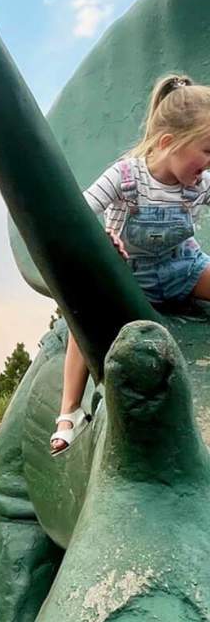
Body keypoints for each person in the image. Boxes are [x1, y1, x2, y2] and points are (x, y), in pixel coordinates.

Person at [51, 74, 210, 452]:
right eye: (207, 150)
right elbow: (79, 213)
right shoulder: (126, 176)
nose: (208, 163)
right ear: (170, 142)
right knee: (80, 322)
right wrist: (102, 238)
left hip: (179, 267)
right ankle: (68, 410)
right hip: (128, 276)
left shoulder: (201, 184)